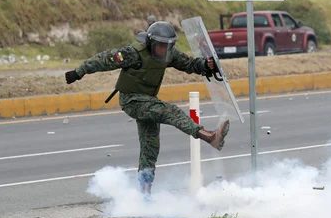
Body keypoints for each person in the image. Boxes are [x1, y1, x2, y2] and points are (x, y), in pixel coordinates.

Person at [64, 21, 230, 197]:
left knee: (150, 148)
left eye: (167, 46)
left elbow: (189, 64)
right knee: (169, 111)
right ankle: (208, 136)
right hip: (131, 100)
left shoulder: (168, 54)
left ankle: (145, 193)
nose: (163, 50)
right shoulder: (133, 53)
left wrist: (206, 65)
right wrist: (78, 72)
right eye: (160, 46)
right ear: (151, 43)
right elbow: (104, 59)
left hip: (148, 101)